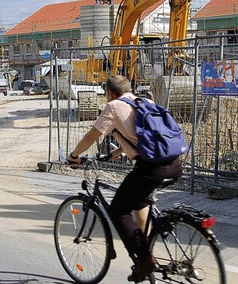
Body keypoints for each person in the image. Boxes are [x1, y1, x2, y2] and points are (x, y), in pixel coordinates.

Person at [67, 74, 183, 282]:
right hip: (174, 163)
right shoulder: (145, 102)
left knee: (118, 209)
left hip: (151, 167)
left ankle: (145, 260)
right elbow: (147, 136)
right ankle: (146, 245)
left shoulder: (113, 107)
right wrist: (119, 151)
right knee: (138, 201)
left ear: (110, 93)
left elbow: (91, 136)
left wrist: (74, 156)